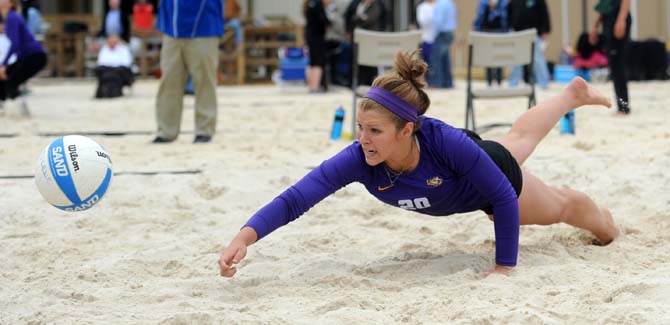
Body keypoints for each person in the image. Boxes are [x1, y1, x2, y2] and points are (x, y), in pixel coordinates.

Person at [218, 50, 620, 278]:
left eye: (374, 131)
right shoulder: (361, 158)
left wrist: (503, 268)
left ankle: (606, 224)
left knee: (556, 206)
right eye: (360, 128)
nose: (363, 139)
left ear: (407, 130)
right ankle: (571, 94)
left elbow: (500, 192)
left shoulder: (441, 140)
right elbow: (296, 199)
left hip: (486, 178)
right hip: (467, 162)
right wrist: (245, 236)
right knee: (518, 138)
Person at [152, 0, 223, 144]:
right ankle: (166, 131)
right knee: (169, 82)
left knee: (204, 81)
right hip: (172, 29)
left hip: (204, 28)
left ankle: (204, 130)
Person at [0, 0, 46, 104]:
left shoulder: (12, 17)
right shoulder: (8, 17)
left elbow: (15, 44)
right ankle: (5, 105)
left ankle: (19, 108)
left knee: (11, 82)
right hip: (26, 57)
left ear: (10, 3)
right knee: (4, 80)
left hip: (35, 56)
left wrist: (3, 65)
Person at [590, 0, 631, 115]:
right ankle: (621, 106)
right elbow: (603, 4)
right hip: (608, 20)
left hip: (617, 19)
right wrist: (595, 26)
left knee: (618, 65)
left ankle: (624, 107)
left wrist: (621, 20)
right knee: (613, 65)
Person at [508, 0, 551, 89]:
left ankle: (543, 83)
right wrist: (510, 28)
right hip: (517, 33)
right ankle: (513, 83)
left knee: (538, 59)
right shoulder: (513, 1)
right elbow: (509, 14)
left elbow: (544, 14)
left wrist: (545, 30)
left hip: (534, 33)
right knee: (515, 59)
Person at [473, 0, 508, 86]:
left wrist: (496, 9)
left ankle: (499, 81)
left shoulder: (503, 3)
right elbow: (479, 19)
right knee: (487, 58)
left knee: (500, 58)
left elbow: (506, 18)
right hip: (486, 33)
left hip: (500, 33)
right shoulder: (483, 3)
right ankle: (489, 81)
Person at [304, 0, 331, 93]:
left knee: (312, 61)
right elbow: (322, 20)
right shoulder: (318, 4)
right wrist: (328, 22)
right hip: (317, 37)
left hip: (310, 35)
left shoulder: (310, 3)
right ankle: (315, 86)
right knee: (318, 62)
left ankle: (311, 85)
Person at [94, 34, 133, 99]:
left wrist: (113, 65)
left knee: (116, 72)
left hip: (119, 70)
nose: (112, 43)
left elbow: (127, 62)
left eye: (114, 41)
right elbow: (101, 62)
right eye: (110, 41)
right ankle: (102, 92)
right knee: (103, 71)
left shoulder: (123, 49)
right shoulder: (104, 49)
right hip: (107, 69)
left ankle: (115, 92)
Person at [430, 0, 457, 88]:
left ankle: (439, 83)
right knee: (445, 59)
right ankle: (448, 83)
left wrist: (433, 35)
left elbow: (438, 21)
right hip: (449, 32)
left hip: (441, 33)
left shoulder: (440, 4)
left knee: (437, 59)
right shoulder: (450, 3)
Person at [416, 0, 436, 71]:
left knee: (437, 64)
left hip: (437, 39)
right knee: (426, 64)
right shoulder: (422, 7)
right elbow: (422, 21)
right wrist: (433, 18)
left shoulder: (438, 5)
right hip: (426, 39)